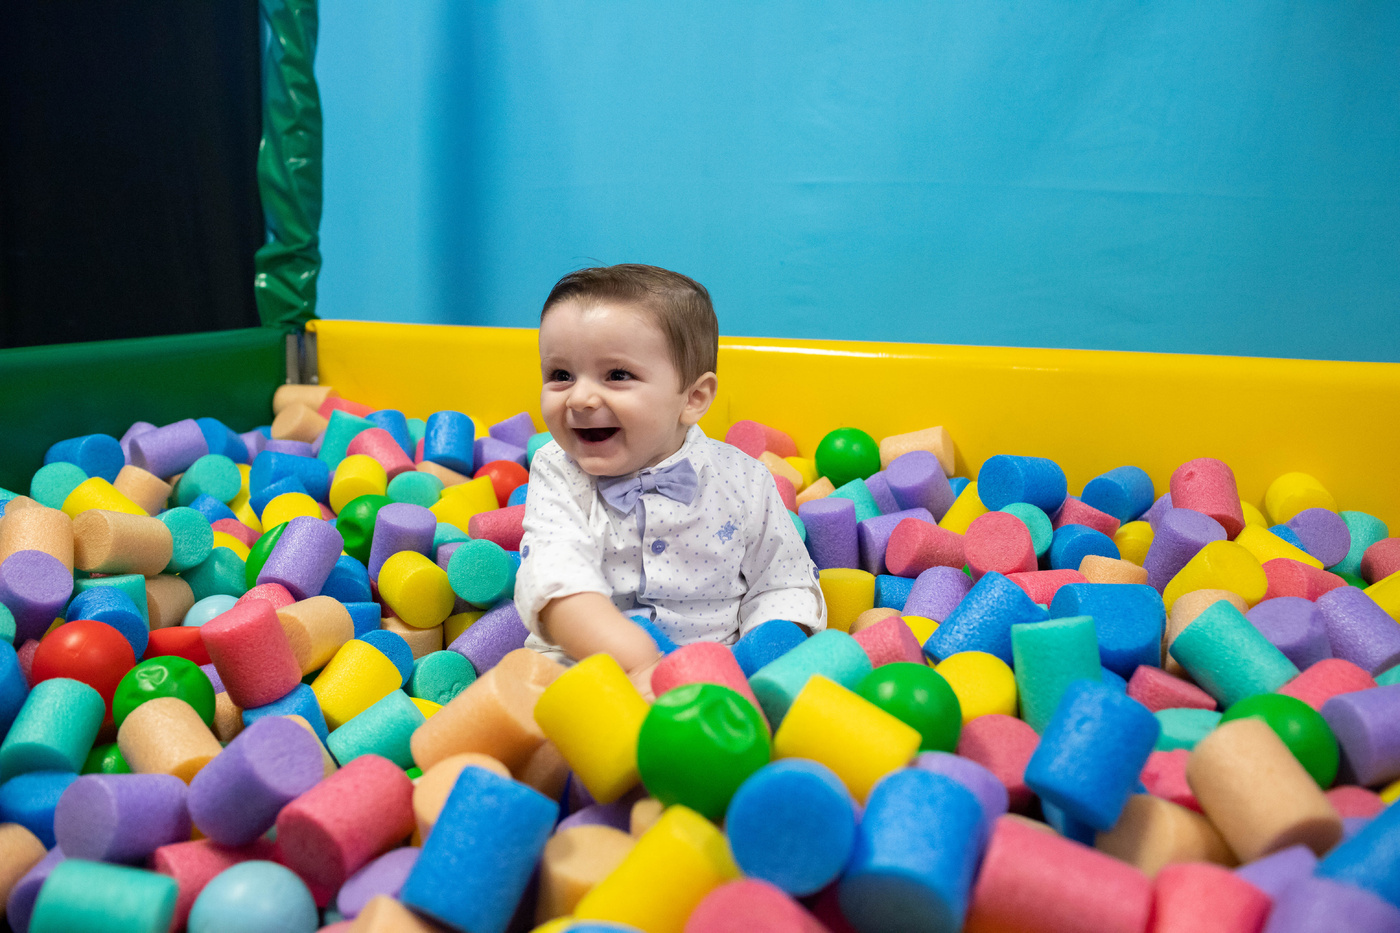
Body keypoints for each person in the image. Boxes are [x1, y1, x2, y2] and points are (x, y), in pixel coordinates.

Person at [514, 264, 826, 696]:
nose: (580, 398)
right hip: (580, 669)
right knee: (524, 701)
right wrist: (638, 662)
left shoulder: (745, 480)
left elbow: (782, 582)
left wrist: (759, 660)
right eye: (560, 375)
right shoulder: (557, 469)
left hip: (713, 674)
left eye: (617, 375)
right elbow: (555, 575)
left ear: (693, 398)